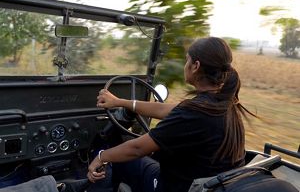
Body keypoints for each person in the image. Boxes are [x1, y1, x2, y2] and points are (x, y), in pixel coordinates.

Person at [87, 37, 249, 192]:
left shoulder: (194, 112)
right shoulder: (224, 104)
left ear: (195, 66)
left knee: (118, 156)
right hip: (208, 184)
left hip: (177, 187)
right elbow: (164, 110)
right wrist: (120, 102)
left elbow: (137, 148)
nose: (185, 65)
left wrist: (102, 157)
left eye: (187, 60)